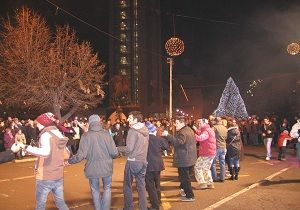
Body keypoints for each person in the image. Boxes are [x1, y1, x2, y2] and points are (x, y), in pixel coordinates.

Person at [67, 114, 118, 210]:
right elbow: (114, 152)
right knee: (107, 188)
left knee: (95, 191)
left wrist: (70, 161)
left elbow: (80, 155)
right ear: (99, 122)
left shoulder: (86, 136)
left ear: (90, 123)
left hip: (92, 167)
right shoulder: (106, 133)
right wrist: (114, 156)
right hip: (106, 167)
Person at [24, 112, 69, 210]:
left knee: (40, 205)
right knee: (61, 204)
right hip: (58, 175)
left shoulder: (45, 135)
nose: (37, 126)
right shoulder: (58, 134)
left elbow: (45, 152)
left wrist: (27, 148)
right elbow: (67, 153)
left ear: (44, 123)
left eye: (39, 123)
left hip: (45, 175)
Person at [117, 111, 149, 210]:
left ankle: (128, 207)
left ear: (135, 120)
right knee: (141, 187)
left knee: (127, 186)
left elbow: (129, 149)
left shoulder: (132, 130)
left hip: (133, 161)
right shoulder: (145, 129)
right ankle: (143, 207)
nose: (128, 120)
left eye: (130, 118)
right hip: (143, 161)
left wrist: (117, 148)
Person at [163, 115, 197, 202]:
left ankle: (190, 196)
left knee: (184, 178)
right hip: (190, 158)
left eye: (177, 123)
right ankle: (184, 191)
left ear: (182, 123)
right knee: (185, 177)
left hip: (184, 159)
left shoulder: (182, 132)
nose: (175, 124)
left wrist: (168, 135)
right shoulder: (189, 129)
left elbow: (178, 143)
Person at [144, 121, 169, 210]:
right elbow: (166, 147)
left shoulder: (144, 139)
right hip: (158, 164)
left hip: (148, 165)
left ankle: (155, 206)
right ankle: (158, 200)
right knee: (157, 184)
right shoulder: (158, 139)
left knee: (150, 186)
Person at [193, 118, 216, 189]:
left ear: (205, 123)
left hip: (206, 153)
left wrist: (193, 135)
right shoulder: (208, 130)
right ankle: (210, 183)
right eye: (198, 123)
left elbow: (201, 138)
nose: (198, 124)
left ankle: (202, 183)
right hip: (210, 152)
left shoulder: (206, 131)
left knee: (197, 167)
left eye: (200, 123)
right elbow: (202, 134)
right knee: (206, 168)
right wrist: (196, 130)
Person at [211, 117, 228, 182]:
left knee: (213, 163)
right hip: (223, 147)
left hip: (216, 147)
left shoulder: (214, 128)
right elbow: (226, 137)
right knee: (222, 163)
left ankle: (214, 177)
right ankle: (222, 177)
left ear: (215, 121)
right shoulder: (225, 128)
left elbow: (211, 136)